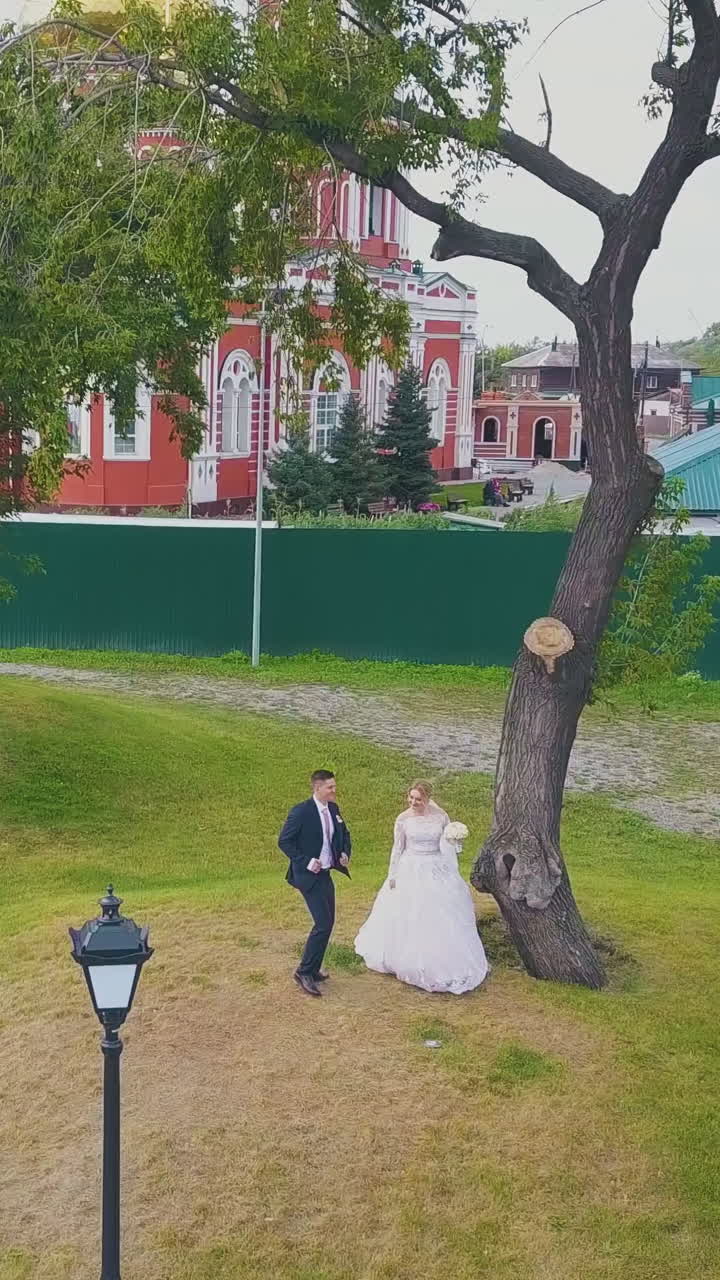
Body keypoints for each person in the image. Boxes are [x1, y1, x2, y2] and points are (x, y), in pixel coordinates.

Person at [354, 780, 488, 995]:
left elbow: (446, 844)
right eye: (411, 798)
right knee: (411, 911)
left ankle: (442, 956)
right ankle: (405, 956)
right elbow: (397, 849)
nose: (413, 802)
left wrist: (455, 841)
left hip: (435, 866)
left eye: (418, 799)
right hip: (411, 866)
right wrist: (392, 874)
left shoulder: (440, 816)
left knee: (439, 912)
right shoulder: (403, 819)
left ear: (427, 799)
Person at [279, 769, 352, 997]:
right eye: (330, 787)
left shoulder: (334, 809)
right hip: (308, 877)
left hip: (326, 874)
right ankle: (304, 972)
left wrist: (344, 853)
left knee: (328, 923)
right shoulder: (301, 812)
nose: (334, 790)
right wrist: (307, 862)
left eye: (334, 786)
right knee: (322, 923)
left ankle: (313, 968)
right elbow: (284, 841)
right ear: (317, 788)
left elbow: (344, 834)